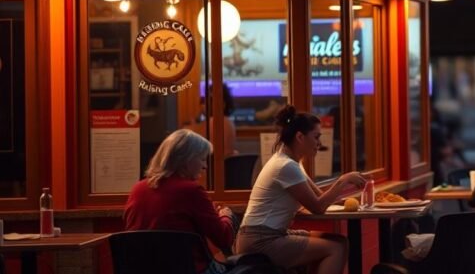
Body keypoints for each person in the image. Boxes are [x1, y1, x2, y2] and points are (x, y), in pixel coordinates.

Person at [236, 106, 366, 274]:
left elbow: (320, 197)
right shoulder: (286, 166)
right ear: (300, 137)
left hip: (264, 235)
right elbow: (318, 207)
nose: (320, 143)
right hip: (261, 240)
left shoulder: (292, 162)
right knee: (336, 248)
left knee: (339, 241)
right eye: (316, 137)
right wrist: (343, 180)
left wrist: (352, 200)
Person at [125, 129, 237, 274]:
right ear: (186, 159)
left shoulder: (137, 189)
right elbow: (223, 239)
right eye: (202, 159)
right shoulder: (191, 190)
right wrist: (225, 215)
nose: (205, 166)